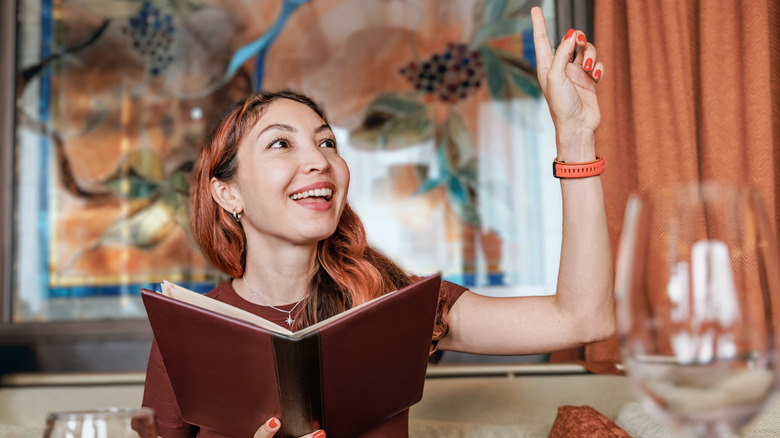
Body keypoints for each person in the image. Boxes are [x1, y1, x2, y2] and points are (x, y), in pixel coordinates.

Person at [142, 6, 612, 438]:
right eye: (281, 144)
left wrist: (574, 138)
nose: (319, 162)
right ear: (228, 192)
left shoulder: (393, 302)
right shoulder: (184, 335)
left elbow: (582, 318)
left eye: (327, 143)